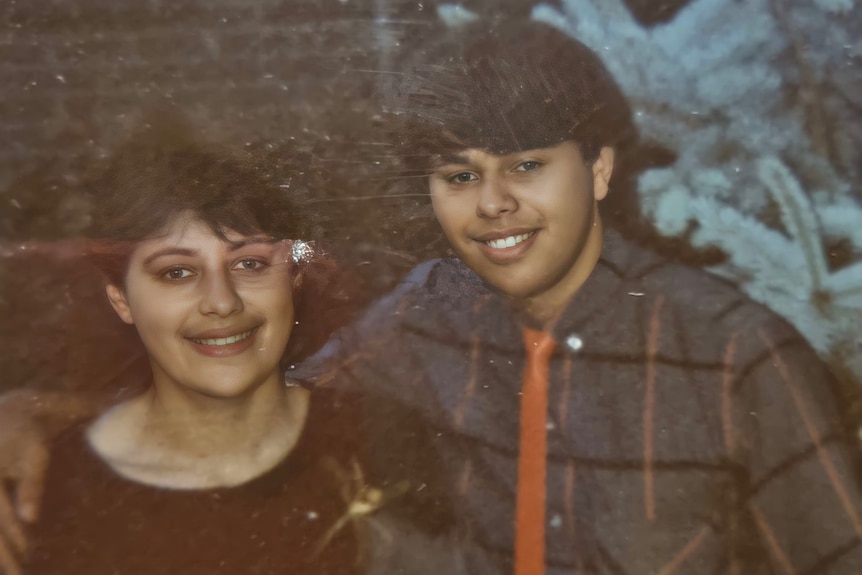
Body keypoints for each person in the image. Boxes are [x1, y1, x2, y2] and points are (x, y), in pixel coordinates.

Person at [2, 20, 862, 575]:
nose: (493, 204)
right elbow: (243, 401)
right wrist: (40, 417)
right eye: (460, 174)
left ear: (599, 169)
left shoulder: (736, 353)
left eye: (527, 166)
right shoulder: (429, 313)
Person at [8, 126, 371, 575]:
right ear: (121, 299)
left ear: (294, 280)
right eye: (177, 272)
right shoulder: (44, 497)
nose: (221, 301)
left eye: (250, 264)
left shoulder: (379, 443)